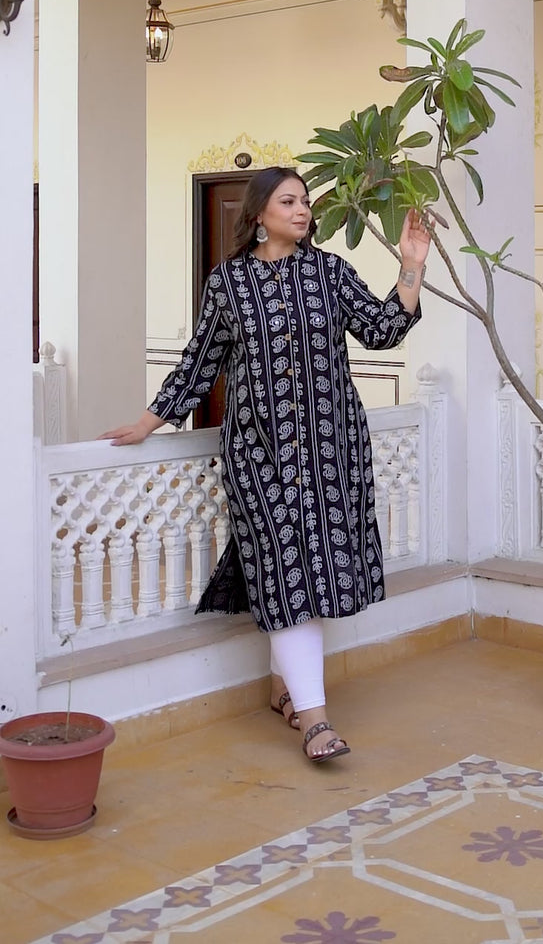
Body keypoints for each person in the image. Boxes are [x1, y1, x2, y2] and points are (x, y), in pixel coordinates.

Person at [102, 167, 429, 763]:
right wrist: (149, 422)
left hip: (331, 450)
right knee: (285, 567)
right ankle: (316, 721)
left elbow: (383, 331)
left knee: (310, 569)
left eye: (305, 201)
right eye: (289, 201)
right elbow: (200, 362)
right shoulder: (228, 283)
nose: (303, 210)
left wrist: (411, 265)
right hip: (259, 455)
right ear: (258, 214)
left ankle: (287, 691)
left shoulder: (329, 273)